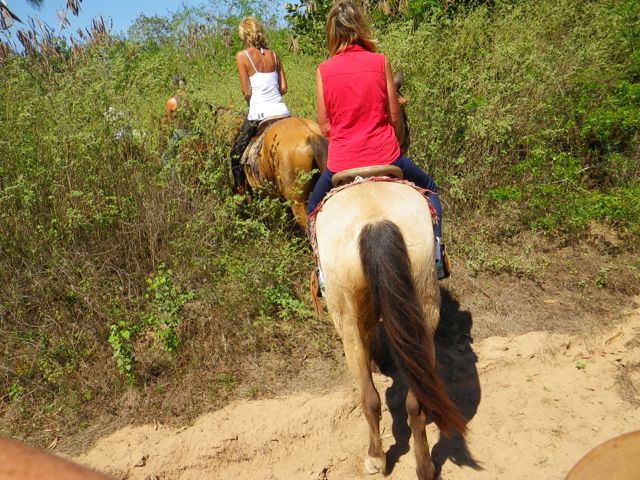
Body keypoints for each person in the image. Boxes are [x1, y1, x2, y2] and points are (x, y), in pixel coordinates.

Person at [306, 1, 449, 279]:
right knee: (430, 188)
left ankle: (322, 273)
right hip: (386, 155)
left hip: (342, 162)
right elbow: (394, 117)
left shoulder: (323, 70)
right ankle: (437, 258)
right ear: (360, 26)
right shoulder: (380, 61)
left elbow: (324, 126)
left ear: (331, 32)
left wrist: (347, 137)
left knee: (312, 209)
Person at [230, 16, 290, 194]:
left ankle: (241, 194)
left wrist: (255, 99)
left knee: (235, 153)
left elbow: (246, 92)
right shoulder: (274, 55)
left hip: (259, 114)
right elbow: (283, 88)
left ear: (244, 35)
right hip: (282, 112)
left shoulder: (242, 56)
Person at [161, 74, 192, 165]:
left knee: (165, 158)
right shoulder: (190, 99)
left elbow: (167, 121)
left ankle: (172, 174)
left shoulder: (172, 101)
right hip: (192, 132)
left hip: (179, 133)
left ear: (174, 85)